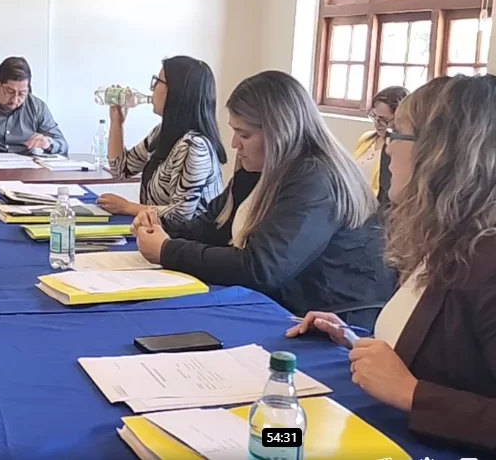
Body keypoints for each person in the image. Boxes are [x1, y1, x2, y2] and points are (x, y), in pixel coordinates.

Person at [287, 74, 496, 453]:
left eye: (396, 134)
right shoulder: (444, 237)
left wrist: (412, 393)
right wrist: (355, 338)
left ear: (440, 153)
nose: (386, 149)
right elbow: (448, 357)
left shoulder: (488, 261)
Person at [133, 70, 395, 327]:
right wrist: (160, 227)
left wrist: (167, 251)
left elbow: (261, 268)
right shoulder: (262, 168)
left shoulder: (315, 178)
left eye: (244, 134)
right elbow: (212, 226)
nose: (234, 143)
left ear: (278, 132)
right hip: (286, 305)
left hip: (329, 320)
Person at [97, 56, 227, 225]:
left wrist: (127, 207)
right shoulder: (162, 132)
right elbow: (120, 169)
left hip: (186, 239)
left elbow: (180, 216)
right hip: (158, 233)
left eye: (157, 81)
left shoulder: (195, 146)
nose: (152, 88)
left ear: (176, 91)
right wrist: (117, 122)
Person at [354, 86, 409, 206]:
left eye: (384, 120)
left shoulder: (401, 148)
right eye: (374, 117)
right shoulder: (366, 139)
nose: (377, 124)